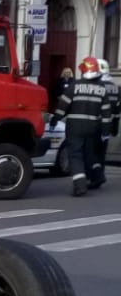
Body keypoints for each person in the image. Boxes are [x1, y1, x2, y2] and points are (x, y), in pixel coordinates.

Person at [56, 56, 119, 195]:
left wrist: (55, 119)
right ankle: (98, 175)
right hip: (93, 127)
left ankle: (80, 185)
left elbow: (63, 105)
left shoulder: (75, 85)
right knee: (89, 153)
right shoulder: (102, 89)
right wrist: (106, 131)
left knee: (76, 154)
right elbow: (107, 113)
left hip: (75, 126)